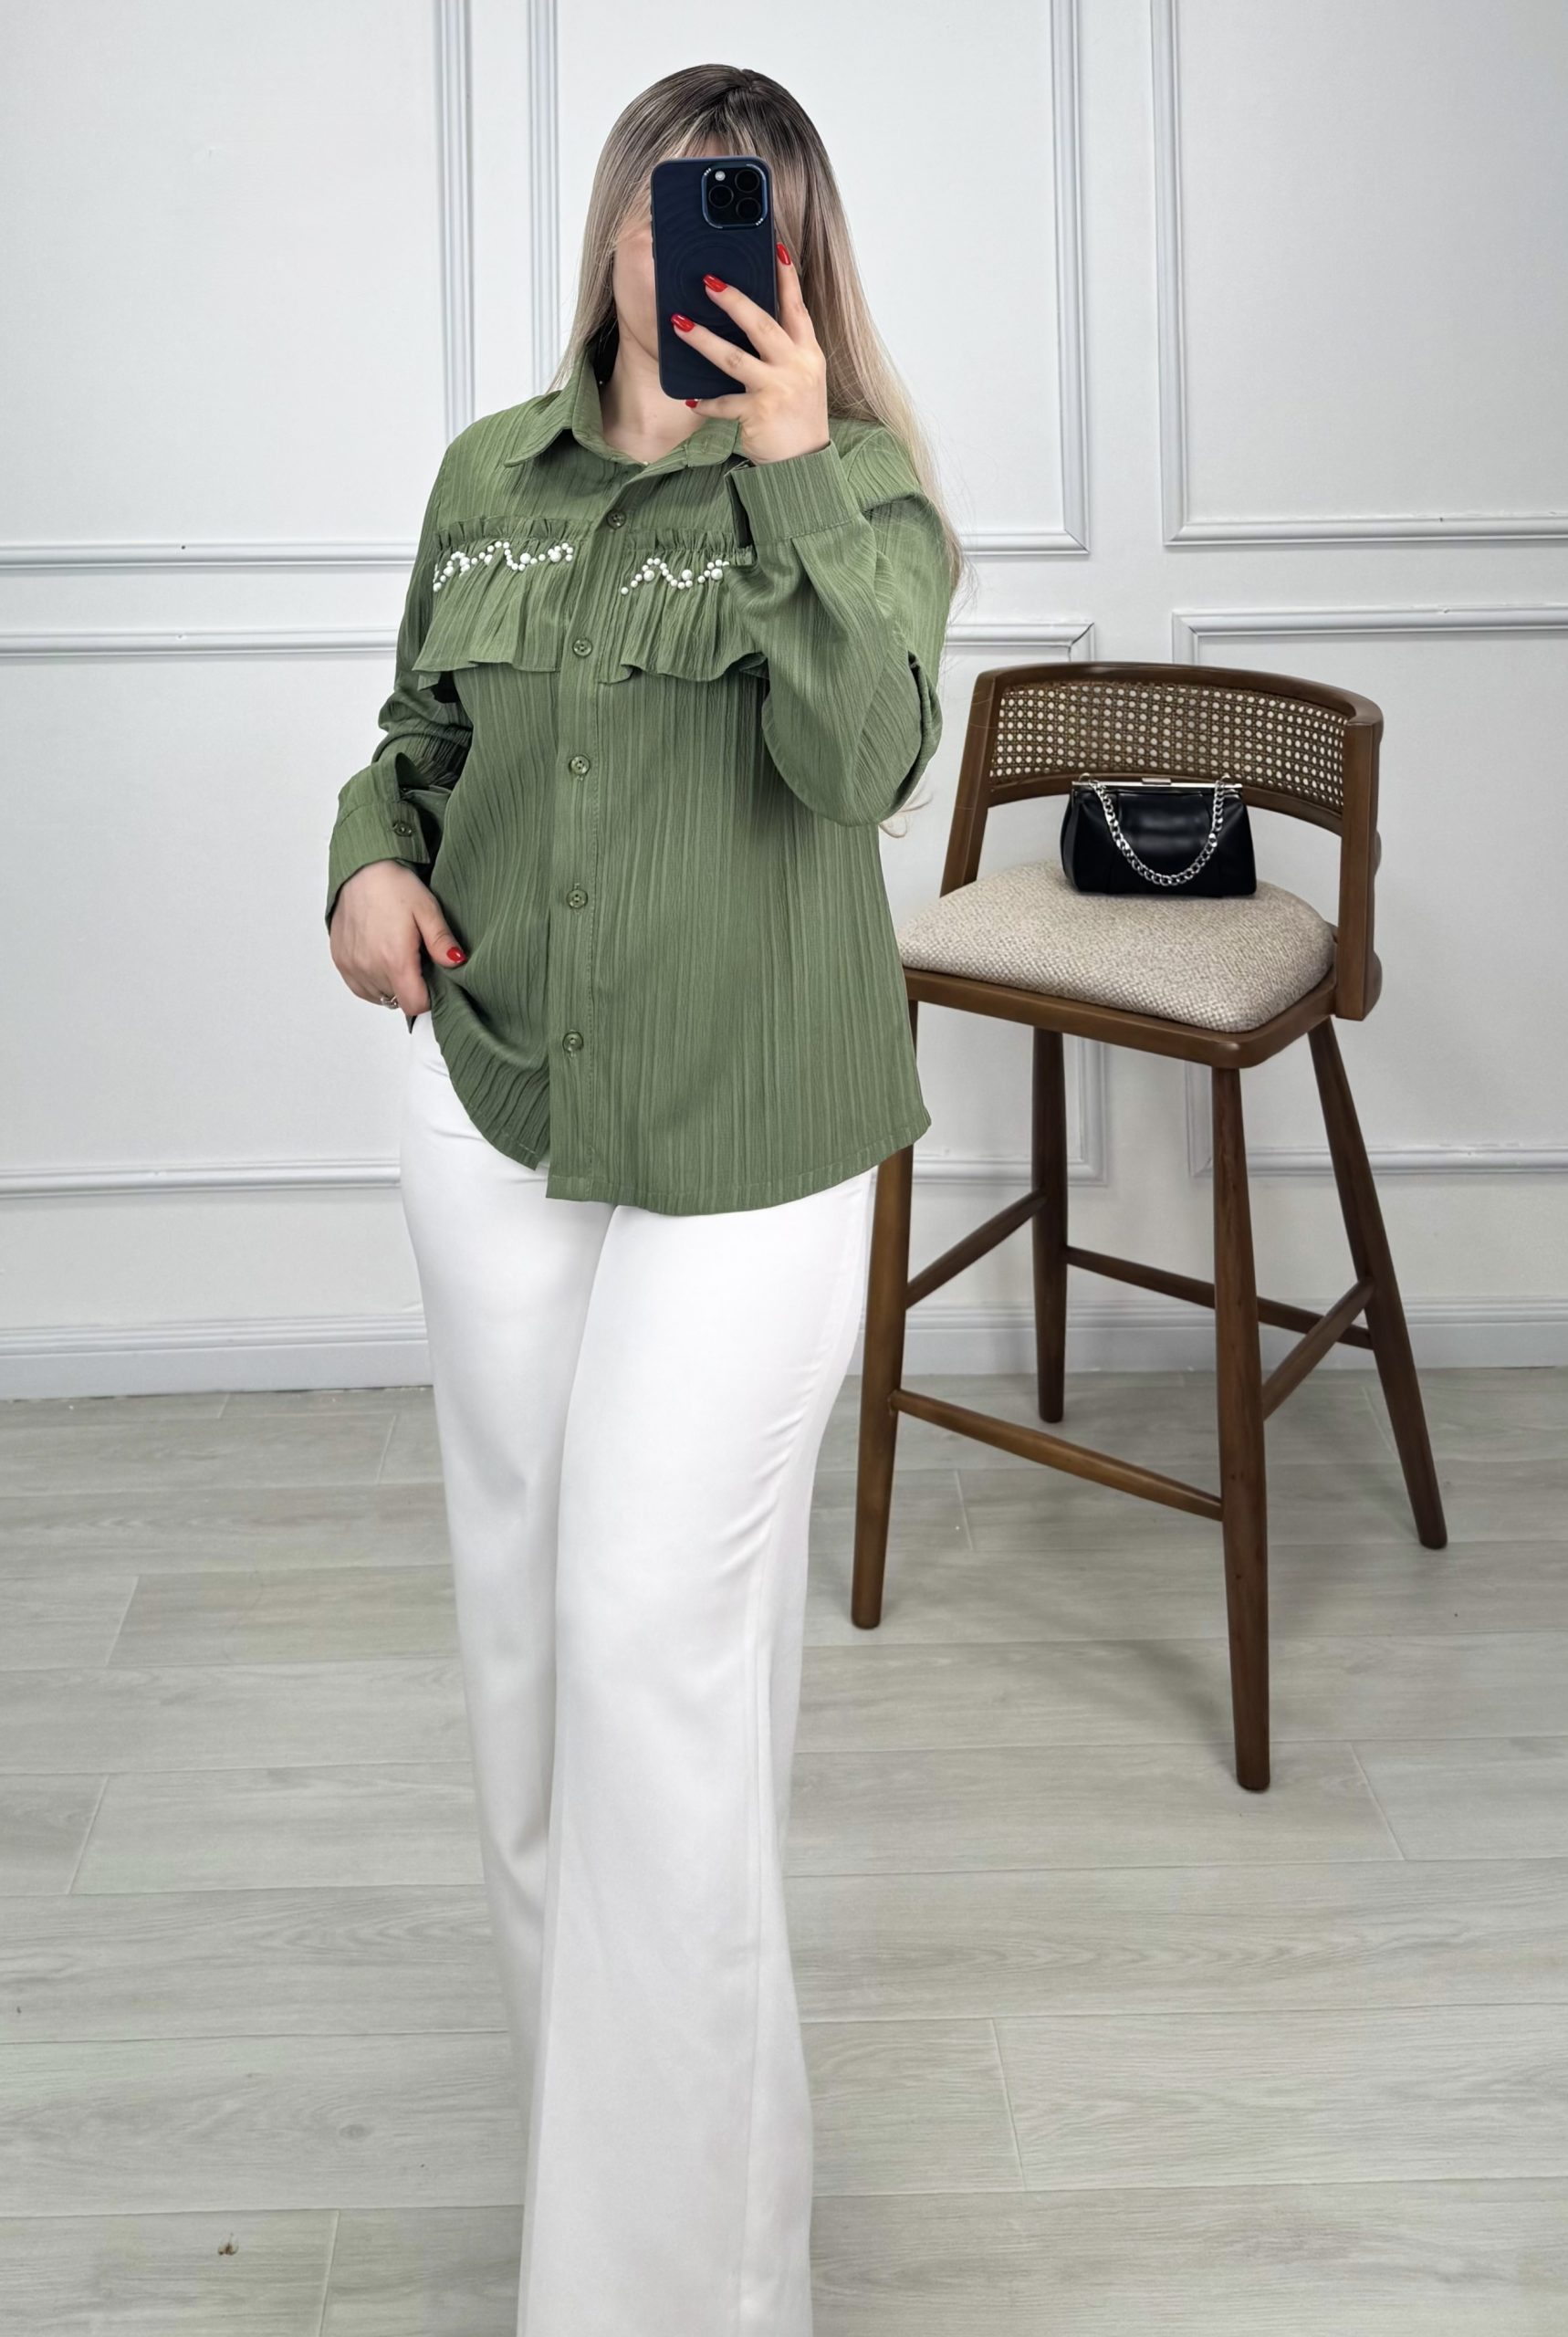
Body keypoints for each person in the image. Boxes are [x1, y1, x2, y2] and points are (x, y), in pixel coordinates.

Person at [324, 61, 964, 2337]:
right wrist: (365, 865)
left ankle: (679, 2293)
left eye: (750, 220)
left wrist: (785, 468)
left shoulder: (863, 491)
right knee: (531, 1671)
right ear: (615, 228)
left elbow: (860, 763)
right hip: (494, 1100)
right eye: (676, 208)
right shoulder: (487, 479)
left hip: (753, 1142)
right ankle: (624, 2196)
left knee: (645, 1651)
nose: (697, 252)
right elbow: (416, 735)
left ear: (798, 264)